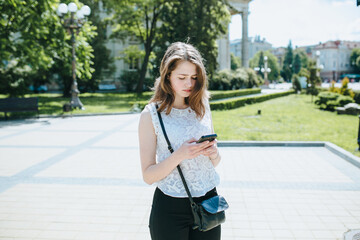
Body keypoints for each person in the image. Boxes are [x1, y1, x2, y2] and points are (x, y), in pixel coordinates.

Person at [138, 42, 222, 240]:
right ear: (168, 76)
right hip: (170, 208)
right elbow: (148, 176)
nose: (189, 84)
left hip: (209, 201)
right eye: (182, 77)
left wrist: (214, 153)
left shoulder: (203, 106)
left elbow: (215, 162)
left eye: (194, 78)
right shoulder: (151, 115)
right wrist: (180, 155)